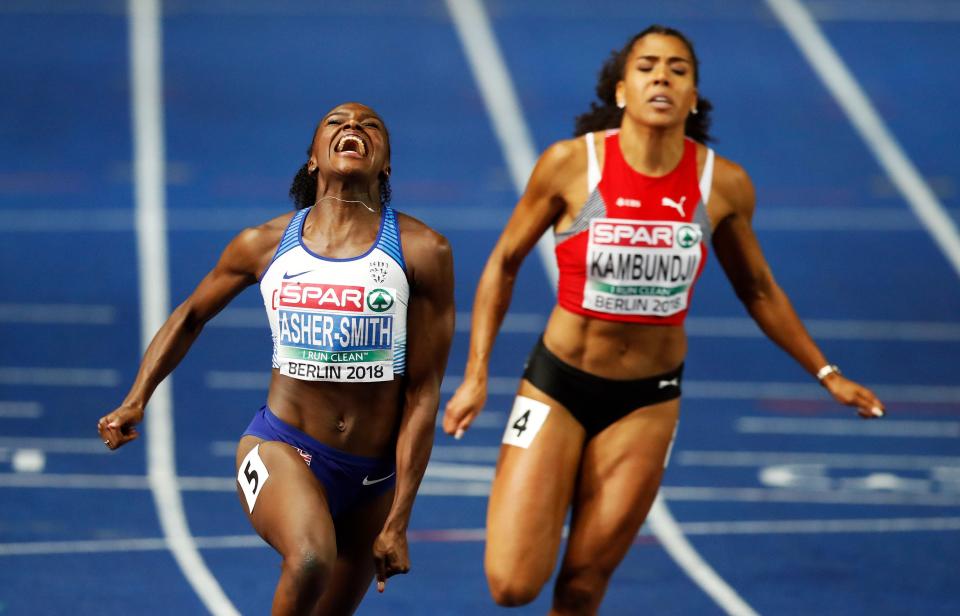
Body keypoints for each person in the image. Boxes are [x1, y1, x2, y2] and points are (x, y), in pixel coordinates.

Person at [442, 25, 885, 615]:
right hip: (556, 388)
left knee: (581, 586)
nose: (662, 77)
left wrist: (827, 373)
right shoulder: (573, 165)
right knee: (512, 584)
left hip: (646, 402)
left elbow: (757, 289)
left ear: (694, 96)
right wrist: (476, 375)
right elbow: (502, 264)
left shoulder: (721, 184)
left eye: (678, 70)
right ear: (622, 90)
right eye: (647, 66)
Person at [98, 102, 455, 615]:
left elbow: (423, 394)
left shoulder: (423, 252)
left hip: (373, 477)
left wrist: (398, 519)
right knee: (310, 558)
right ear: (313, 158)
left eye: (369, 124)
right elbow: (190, 315)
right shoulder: (263, 244)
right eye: (336, 122)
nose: (352, 126)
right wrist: (136, 400)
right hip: (280, 446)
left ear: (386, 165)